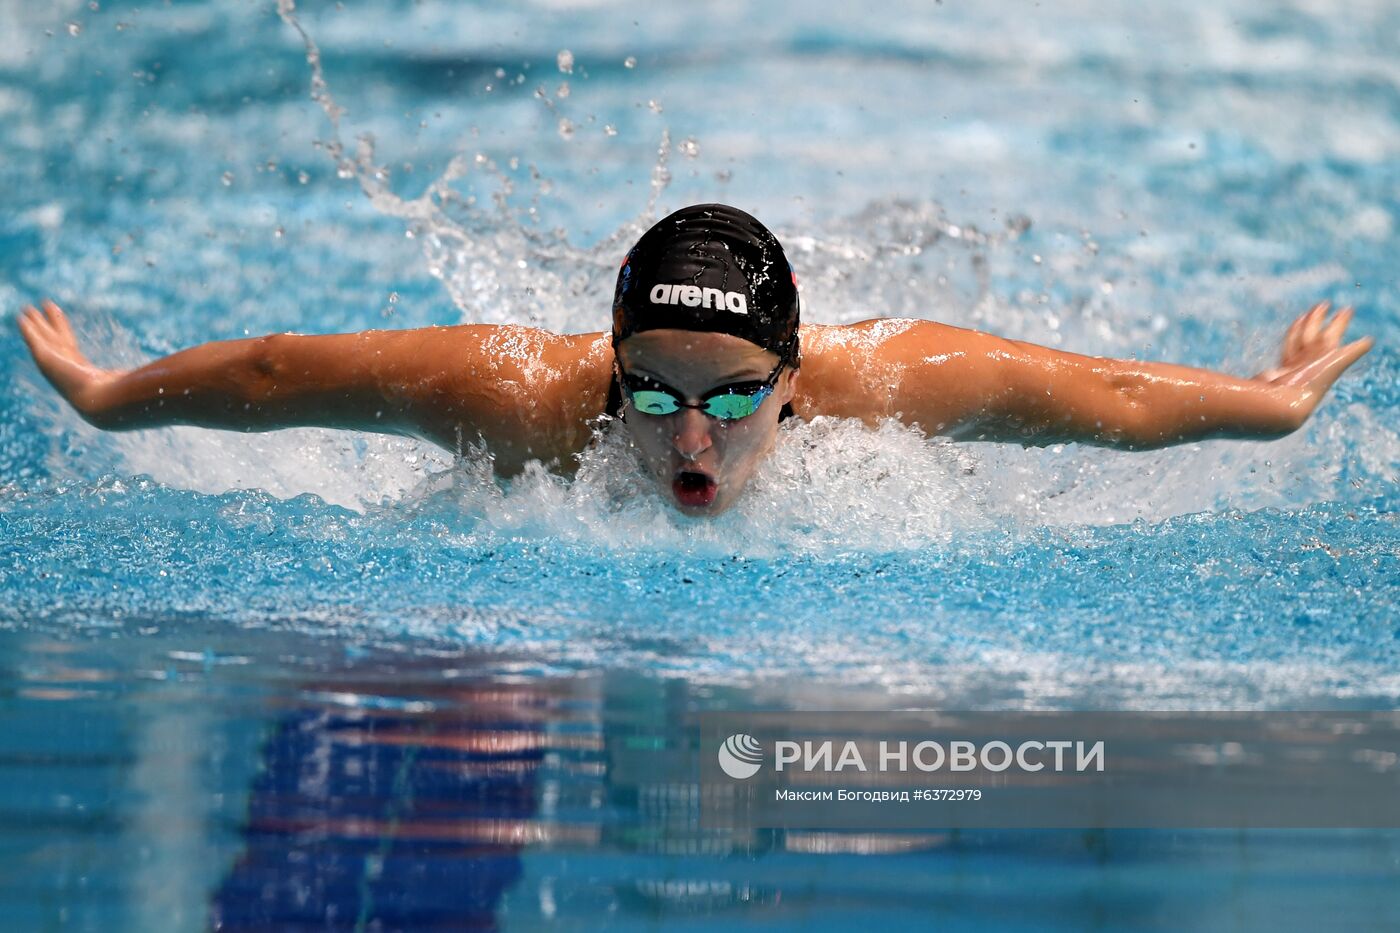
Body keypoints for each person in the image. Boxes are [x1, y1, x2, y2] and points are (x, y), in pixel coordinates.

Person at [17, 203, 1372, 516]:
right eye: (647, 390)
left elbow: (1109, 395)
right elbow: (273, 374)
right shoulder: (529, 403)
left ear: (794, 381)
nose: (688, 437)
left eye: (734, 398)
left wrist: (1268, 405)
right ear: (608, 368)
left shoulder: (889, 383)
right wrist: (101, 395)